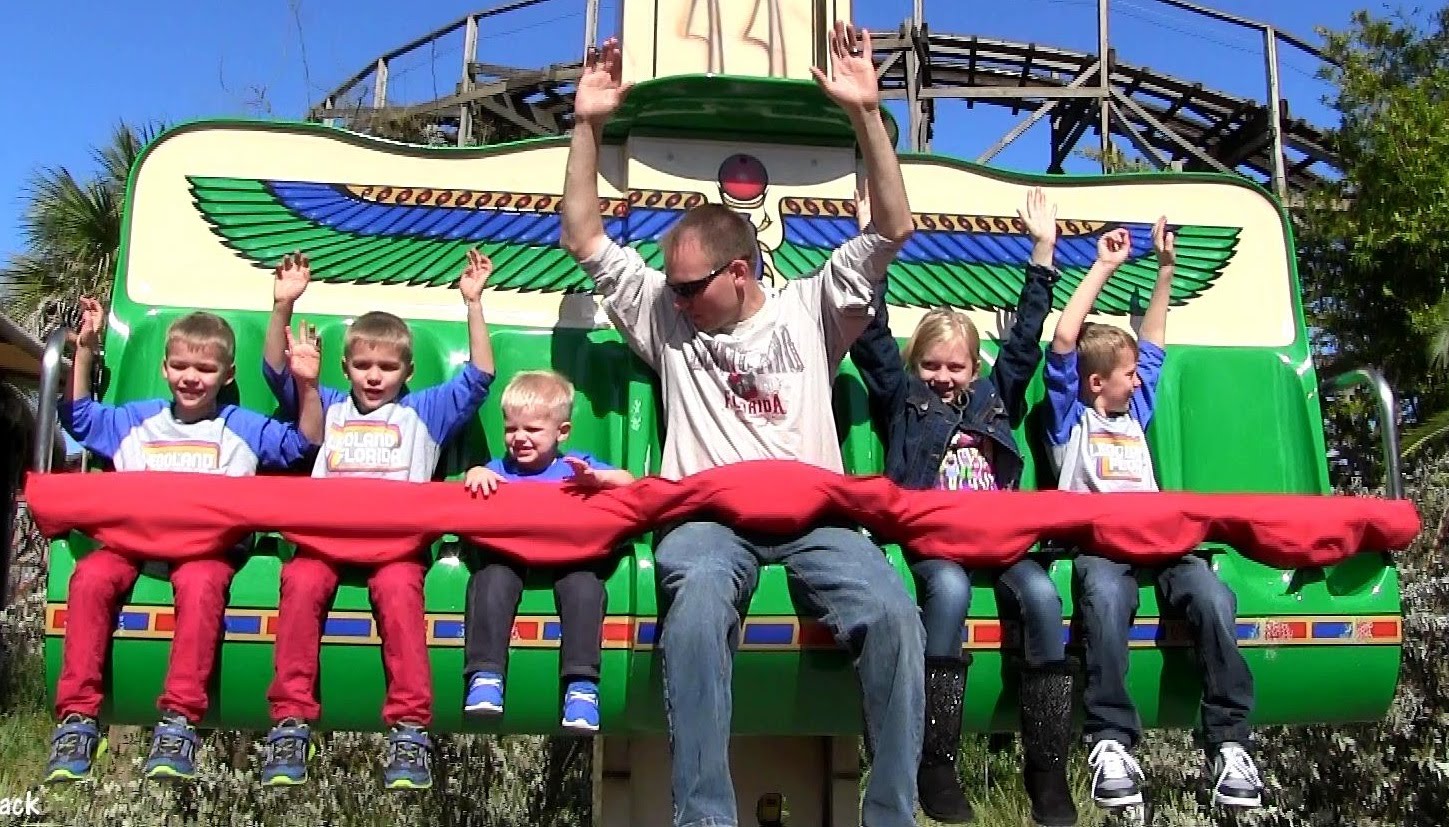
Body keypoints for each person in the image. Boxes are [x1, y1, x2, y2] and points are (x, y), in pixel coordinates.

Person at [559, 24, 926, 827]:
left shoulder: (812, 306)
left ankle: (892, 812)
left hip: (814, 520)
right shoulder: (666, 315)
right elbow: (584, 236)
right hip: (708, 518)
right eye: (672, 286)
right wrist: (587, 123)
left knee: (893, 612)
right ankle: (704, 814)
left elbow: (892, 228)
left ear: (739, 270)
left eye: (690, 287)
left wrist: (867, 113)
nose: (675, 298)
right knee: (690, 606)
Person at [850, 186, 1076, 826]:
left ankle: (1047, 767)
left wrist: (1043, 251)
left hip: (1000, 541)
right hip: (938, 544)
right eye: (932, 365)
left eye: (955, 367)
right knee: (946, 592)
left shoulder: (996, 397)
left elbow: (1027, 340)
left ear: (975, 368)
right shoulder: (903, 399)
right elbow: (870, 329)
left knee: (1042, 596)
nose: (944, 377)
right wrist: (871, 245)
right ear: (915, 365)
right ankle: (936, 757)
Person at [46, 298, 323, 784]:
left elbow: (303, 443)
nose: (191, 377)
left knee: (201, 586)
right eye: (180, 366)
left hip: (204, 550)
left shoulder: (238, 427)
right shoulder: (138, 420)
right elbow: (82, 420)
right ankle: (78, 716)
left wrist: (307, 386)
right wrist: (85, 352)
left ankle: (178, 718)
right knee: (90, 577)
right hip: (134, 543)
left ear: (227, 373)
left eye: (205, 368)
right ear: (164, 367)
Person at [1044, 219, 1265, 810]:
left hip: (1162, 541)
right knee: (1106, 601)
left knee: (1214, 599)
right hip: (1103, 546)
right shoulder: (1072, 418)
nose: (1140, 379)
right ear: (1097, 385)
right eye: (1128, 374)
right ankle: (1111, 740)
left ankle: (1229, 743)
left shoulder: (1133, 413)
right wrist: (1104, 267)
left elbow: (1156, 341)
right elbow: (1064, 340)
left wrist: (1165, 270)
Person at [258, 249, 496, 790]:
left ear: (407, 372)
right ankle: (291, 718)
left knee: (399, 596)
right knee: (298, 581)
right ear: (346, 368)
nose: (373, 376)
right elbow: (276, 370)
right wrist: (282, 308)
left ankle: (410, 727)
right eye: (363, 366)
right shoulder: (330, 402)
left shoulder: (424, 412)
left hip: (394, 546)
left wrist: (474, 304)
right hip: (324, 540)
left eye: (387, 368)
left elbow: (480, 375)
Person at [460, 369, 635, 732]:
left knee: (585, 588)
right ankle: (486, 675)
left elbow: (630, 483)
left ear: (562, 432)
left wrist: (598, 480)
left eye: (532, 430)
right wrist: (474, 473)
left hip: (569, 555)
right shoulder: (499, 470)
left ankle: (582, 685)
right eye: (511, 429)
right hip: (512, 555)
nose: (519, 438)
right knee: (490, 581)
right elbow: (472, 488)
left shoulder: (575, 466)